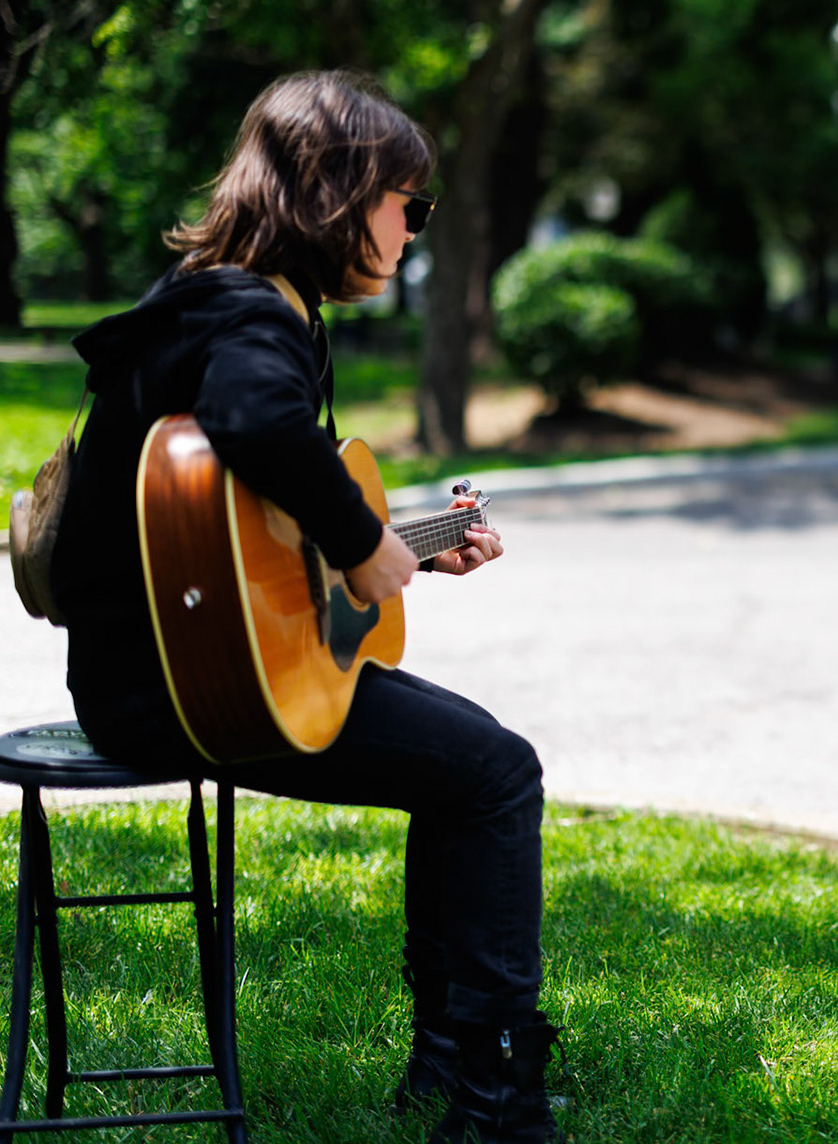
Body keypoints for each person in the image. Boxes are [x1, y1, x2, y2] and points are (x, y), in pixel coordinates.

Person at [50, 71, 557, 1144]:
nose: (416, 231)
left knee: (465, 771)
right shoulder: (248, 314)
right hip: (190, 691)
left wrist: (411, 545)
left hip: (149, 677)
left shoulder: (210, 297)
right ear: (340, 194)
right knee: (496, 774)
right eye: (407, 206)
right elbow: (255, 425)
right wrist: (369, 543)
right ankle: (492, 1097)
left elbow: (254, 519)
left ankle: (448, 1067)